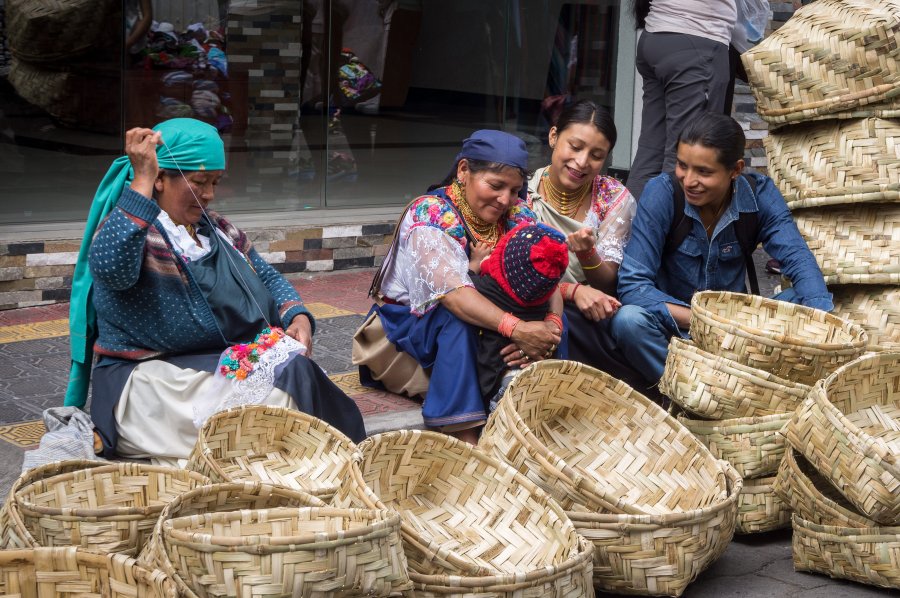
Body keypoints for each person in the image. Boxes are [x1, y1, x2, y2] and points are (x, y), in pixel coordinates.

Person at [66, 118, 365, 465]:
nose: (207, 194)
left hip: (204, 365)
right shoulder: (133, 230)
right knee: (281, 396)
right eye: (198, 182)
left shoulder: (218, 230)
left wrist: (296, 315)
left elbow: (265, 276)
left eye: (215, 183)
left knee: (293, 373)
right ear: (161, 179)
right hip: (150, 381)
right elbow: (110, 269)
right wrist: (142, 179)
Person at [359, 130, 562, 444]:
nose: (505, 199)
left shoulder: (519, 214)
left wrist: (550, 327)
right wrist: (519, 329)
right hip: (414, 329)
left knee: (558, 314)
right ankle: (462, 430)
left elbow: (550, 277)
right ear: (464, 170)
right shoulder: (429, 214)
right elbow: (455, 296)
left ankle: (546, 406)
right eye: (495, 186)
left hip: (491, 320)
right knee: (459, 320)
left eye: (514, 189)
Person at [613, 112, 834, 389]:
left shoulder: (759, 194)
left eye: (704, 172)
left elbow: (798, 260)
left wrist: (823, 319)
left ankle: (735, 384)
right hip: (677, 328)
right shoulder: (662, 194)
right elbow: (633, 285)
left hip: (740, 334)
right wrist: (709, 322)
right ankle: (687, 392)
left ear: (736, 170)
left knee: (811, 300)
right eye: (682, 165)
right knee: (629, 321)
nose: (689, 180)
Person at [527, 99, 648, 391]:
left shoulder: (612, 197)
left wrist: (586, 253)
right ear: (553, 136)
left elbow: (607, 282)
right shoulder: (522, 192)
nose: (582, 162)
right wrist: (572, 291)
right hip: (530, 300)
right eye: (575, 146)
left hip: (588, 311)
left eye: (596, 155)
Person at [625, 0, 737, 202]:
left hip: (657, 35)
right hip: (696, 38)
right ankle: (669, 232)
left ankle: (627, 230)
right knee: (686, 159)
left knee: (651, 152)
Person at [470, 222, 569, 410]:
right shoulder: (542, 298)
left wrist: (475, 263)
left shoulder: (486, 289)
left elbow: (464, 285)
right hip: (536, 369)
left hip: (496, 372)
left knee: (502, 415)